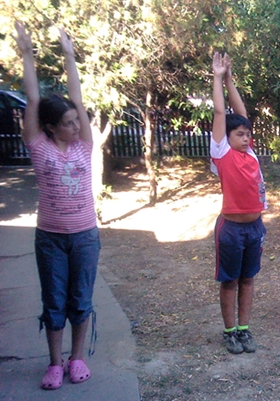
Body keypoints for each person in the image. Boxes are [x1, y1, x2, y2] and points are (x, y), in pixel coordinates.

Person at [14, 22, 100, 390]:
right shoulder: (39, 146)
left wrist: (69, 55)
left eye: (76, 121)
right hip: (50, 238)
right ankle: (54, 362)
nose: (75, 126)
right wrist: (27, 53)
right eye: (67, 123)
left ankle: (77, 357)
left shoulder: (84, 145)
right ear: (50, 128)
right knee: (54, 303)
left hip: (85, 236)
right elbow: (33, 100)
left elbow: (77, 99)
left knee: (80, 300)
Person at [210, 52, 267, 353]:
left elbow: (240, 112)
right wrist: (218, 77)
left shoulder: (250, 153)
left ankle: (244, 329)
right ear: (227, 138)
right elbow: (222, 113)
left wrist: (231, 79)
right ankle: (229, 331)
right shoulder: (222, 153)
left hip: (255, 227)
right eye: (240, 135)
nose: (246, 138)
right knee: (230, 282)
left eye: (248, 134)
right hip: (231, 229)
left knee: (248, 280)